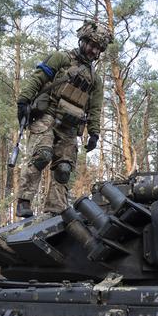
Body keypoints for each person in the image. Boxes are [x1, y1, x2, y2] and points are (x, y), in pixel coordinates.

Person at [14, 20, 111, 218]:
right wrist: (23, 101)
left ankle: (55, 210)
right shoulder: (61, 58)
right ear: (82, 41)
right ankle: (24, 200)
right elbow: (38, 77)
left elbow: (94, 108)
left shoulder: (95, 80)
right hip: (47, 115)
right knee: (42, 155)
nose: (93, 51)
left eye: (98, 48)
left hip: (70, 126)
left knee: (64, 168)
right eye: (91, 45)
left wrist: (94, 133)